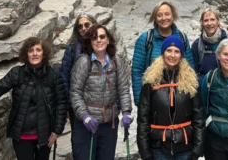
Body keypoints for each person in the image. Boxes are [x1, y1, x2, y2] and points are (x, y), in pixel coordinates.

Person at [0, 37, 67, 160]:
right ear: (26, 54)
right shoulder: (16, 73)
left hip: (45, 135)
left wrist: (57, 130)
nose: (34, 53)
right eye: (30, 50)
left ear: (44, 53)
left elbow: (61, 103)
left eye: (38, 50)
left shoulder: (54, 75)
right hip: (22, 135)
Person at [70, 24, 133, 160]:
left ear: (108, 39)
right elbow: (75, 92)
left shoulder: (116, 61)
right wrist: (84, 116)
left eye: (102, 36)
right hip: (87, 125)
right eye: (94, 38)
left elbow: (123, 89)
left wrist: (126, 111)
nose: (98, 40)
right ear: (90, 42)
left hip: (109, 124)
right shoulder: (83, 62)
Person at [137, 35, 204, 160]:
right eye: (169, 50)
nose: (172, 55)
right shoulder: (151, 82)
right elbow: (143, 120)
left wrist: (197, 148)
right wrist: (145, 152)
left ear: (181, 55)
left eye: (176, 51)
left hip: (185, 146)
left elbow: (198, 117)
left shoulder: (190, 82)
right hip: (158, 146)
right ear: (163, 53)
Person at [132, 1, 195, 105]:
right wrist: (140, 102)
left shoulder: (182, 38)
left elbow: (190, 69)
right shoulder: (145, 39)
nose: (164, 18)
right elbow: (137, 72)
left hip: (179, 99)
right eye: (159, 15)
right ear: (155, 18)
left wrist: (191, 99)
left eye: (167, 14)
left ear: (173, 15)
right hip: (153, 99)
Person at [60, 13, 96, 121]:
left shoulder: (103, 46)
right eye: (80, 26)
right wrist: (67, 105)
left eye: (86, 25)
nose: (83, 28)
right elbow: (64, 78)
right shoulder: (72, 50)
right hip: (77, 106)